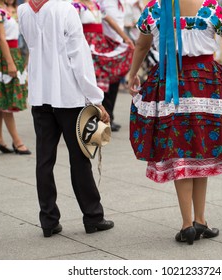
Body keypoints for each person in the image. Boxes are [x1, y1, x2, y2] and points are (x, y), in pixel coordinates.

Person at [128, 0, 222, 245]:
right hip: (205, 83)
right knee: (201, 150)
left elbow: (142, 45)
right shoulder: (210, 7)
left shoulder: (154, 9)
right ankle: (198, 220)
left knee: (180, 154)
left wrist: (133, 74)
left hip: (168, 87)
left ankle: (190, 224)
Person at [18, 0, 114, 237]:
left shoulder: (23, 11)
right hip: (67, 95)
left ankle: (48, 220)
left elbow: (34, 47)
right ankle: (92, 216)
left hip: (40, 93)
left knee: (44, 159)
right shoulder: (65, 9)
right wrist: (96, 98)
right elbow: (79, 58)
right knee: (80, 158)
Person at [71, 0, 134, 132]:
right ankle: (86, 118)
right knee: (91, 78)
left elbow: (110, 21)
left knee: (105, 77)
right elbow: (73, 26)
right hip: (87, 44)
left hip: (100, 43)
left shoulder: (96, 5)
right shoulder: (76, 6)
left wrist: (126, 38)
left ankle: (104, 116)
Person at [0, 0, 30, 155]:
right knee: (8, 101)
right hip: (2, 56)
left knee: (0, 101)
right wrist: (10, 63)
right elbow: (2, 39)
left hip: (10, 53)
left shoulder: (6, 9)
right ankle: (17, 142)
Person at [97, 0, 135, 132]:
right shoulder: (102, 2)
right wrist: (126, 37)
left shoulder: (120, 3)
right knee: (104, 84)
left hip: (117, 46)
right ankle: (103, 118)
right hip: (105, 45)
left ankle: (109, 117)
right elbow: (109, 21)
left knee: (115, 82)